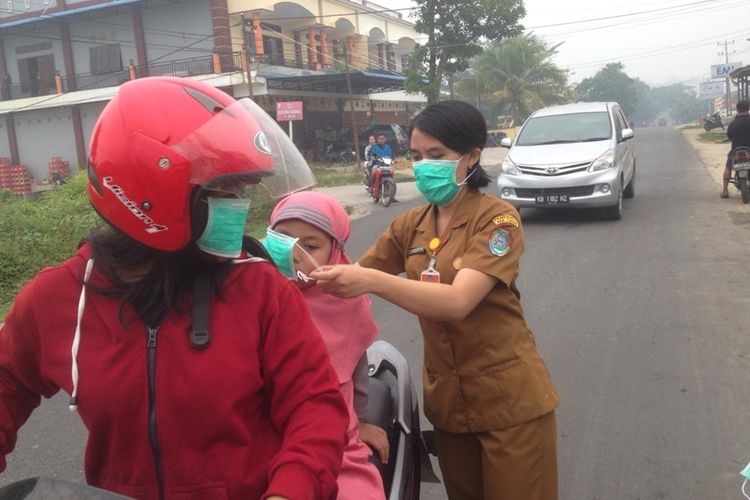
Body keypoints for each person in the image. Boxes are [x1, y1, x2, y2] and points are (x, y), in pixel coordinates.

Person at [0, 77, 349, 500]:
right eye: (225, 190)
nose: (238, 206)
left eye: (243, 190)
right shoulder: (60, 297)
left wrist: (291, 490)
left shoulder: (261, 289)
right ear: (151, 189)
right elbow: (8, 386)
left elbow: (314, 405)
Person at [312, 100, 560, 500]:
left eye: (436, 155)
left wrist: (370, 280)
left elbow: (458, 301)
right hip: (449, 406)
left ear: (471, 157)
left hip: (510, 402)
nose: (424, 165)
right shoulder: (411, 224)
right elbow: (346, 276)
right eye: (415, 156)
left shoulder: (498, 220)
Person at [263, 191, 389, 500]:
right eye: (283, 240)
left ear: (334, 252)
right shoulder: (253, 293)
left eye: (310, 246)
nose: (294, 255)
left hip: (334, 439)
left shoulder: (346, 302)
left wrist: (363, 422)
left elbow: (357, 369)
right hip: (262, 434)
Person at [722, 100, 750, 198]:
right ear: (748, 108)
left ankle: (725, 190)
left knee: (728, 167)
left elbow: (729, 136)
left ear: (737, 109)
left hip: (736, 150)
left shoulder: (733, 123)